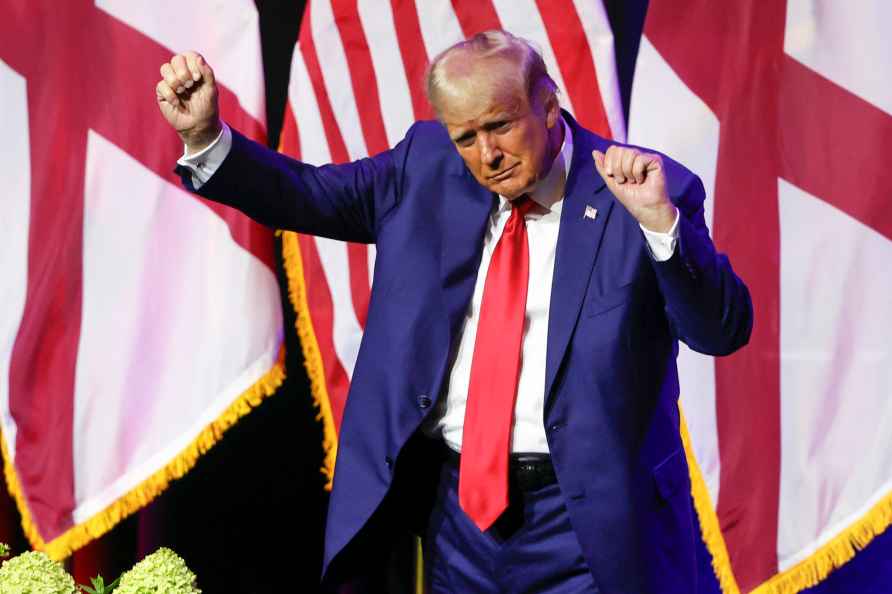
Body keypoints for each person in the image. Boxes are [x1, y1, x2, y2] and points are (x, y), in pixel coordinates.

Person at [156, 30, 751, 594]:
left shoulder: (640, 187)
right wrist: (208, 138)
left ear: (548, 106)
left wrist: (662, 227)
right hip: (459, 519)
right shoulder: (426, 167)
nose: (486, 154)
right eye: (466, 137)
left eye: (499, 126)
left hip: (588, 522)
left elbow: (721, 330)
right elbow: (306, 195)